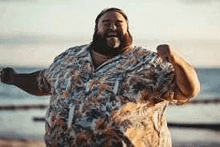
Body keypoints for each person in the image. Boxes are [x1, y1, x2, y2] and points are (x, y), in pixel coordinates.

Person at [0, 8, 200, 147]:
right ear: (96, 29)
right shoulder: (69, 57)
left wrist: (176, 59)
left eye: (118, 23)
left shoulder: (149, 62)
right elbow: (41, 83)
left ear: (128, 30)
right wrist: (14, 78)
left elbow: (188, 91)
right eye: (106, 22)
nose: (112, 26)